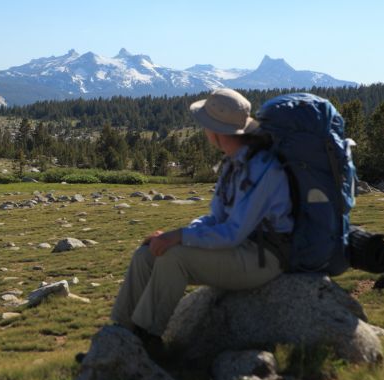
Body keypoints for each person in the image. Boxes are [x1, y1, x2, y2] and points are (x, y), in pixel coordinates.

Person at [110, 88, 294, 355]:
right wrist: (172, 236)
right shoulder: (234, 163)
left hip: (263, 257)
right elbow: (215, 218)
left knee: (175, 258)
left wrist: (180, 237)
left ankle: (147, 341)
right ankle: (119, 334)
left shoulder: (264, 169)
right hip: (241, 249)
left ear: (215, 131)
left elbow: (232, 232)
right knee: (146, 253)